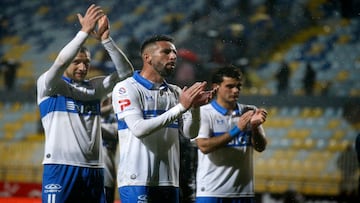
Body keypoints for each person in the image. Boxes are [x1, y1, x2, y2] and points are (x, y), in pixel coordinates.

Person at [36, 4, 133, 203]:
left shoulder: (94, 88)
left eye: (87, 63)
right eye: (77, 62)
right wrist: (84, 32)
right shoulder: (50, 85)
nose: (83, 67)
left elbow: (127, 74)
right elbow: (60, 63)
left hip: (95, 169)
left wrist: (106, 40)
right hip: (60, 166)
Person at [112, 34, 215, 203]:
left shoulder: (175, 92)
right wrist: (181, 107)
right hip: (137, 179)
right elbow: (139, 129)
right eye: (166, 52)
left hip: (169, 181)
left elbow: (190, 133)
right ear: (148, 57)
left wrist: (194, 108)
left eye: (174, 53)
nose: (173, 56)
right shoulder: (126, 88)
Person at [193, 66, 268, 203]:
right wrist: (237, 129)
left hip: (243, 194)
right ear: (216, 87)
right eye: (230, 86)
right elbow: (204, 146)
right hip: (211, 192)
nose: (235, 90)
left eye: (238, 86)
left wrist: (255, 128)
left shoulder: (250, 111)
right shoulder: (204, 113)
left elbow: (261, 147)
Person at [100, 95, 119, 203]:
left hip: (107, 173)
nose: (104, 102)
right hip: (88, 173)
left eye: (107, 100)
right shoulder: (90, 117)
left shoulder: (116, 119)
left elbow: (113, 132)